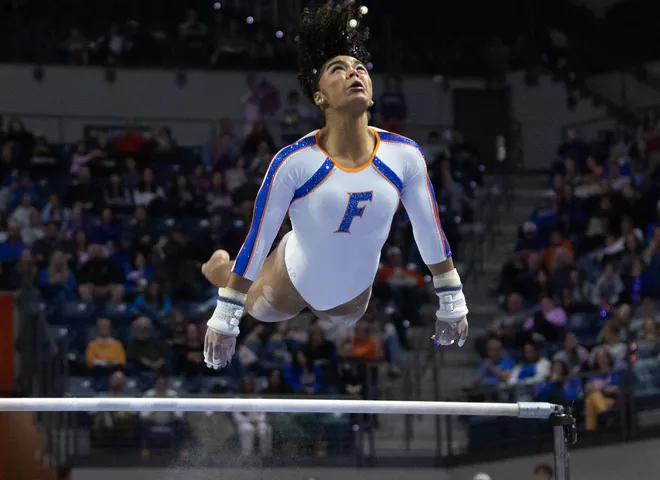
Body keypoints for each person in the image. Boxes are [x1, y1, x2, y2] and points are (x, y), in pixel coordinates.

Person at [201, 0, 469, 369]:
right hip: (293, 273)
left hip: (349, 300)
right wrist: (225, 317)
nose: (353, 73)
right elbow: (258, 238)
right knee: (258, 305)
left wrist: (451, 299)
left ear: (372, 93)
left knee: (341, 317)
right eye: (337, 70)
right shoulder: (294, 162)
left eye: (360, 68)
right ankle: (216, 266)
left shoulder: (404, 156)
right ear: (319, 96)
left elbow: (429, 231)